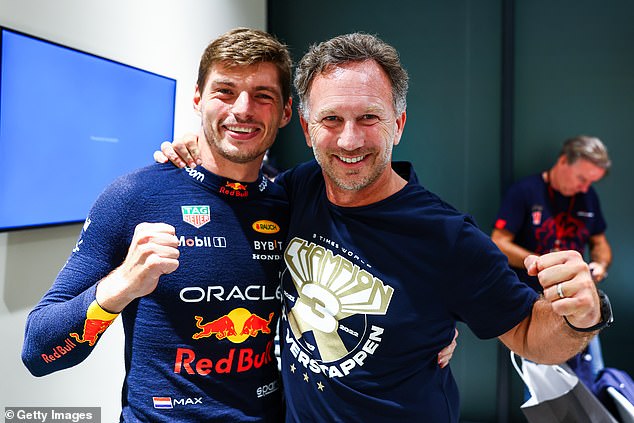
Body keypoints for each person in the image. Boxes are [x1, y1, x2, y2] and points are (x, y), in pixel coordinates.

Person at [157, 33, 610, 422]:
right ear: (307, 126)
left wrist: (582, 316)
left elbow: (533, 336)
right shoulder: (298, 189)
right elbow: (235, 179)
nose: (349, 140)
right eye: (332, 120)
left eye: (368, 118)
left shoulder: (446, 237)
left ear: (398, 124)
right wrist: (196, 149)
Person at [21, 28, 294, 422]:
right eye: (225, 91)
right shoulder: (133, 197)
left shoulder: (290, 203)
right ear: (198, 98)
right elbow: (37, 351)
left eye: (263, 96)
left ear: (285, 111)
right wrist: (120, 286)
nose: (243, 109)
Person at [491, 135, 612, 380]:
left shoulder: (588, 197)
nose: (585, 187)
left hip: (579, 301)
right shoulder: (525, 191)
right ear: (563, 161)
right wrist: (540, 261)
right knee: (545, 386)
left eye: (591, 182)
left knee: (592, 377)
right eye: (582, 178)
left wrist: (600, 264)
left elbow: (600, 242)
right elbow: (499, 242)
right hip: (535, 304)